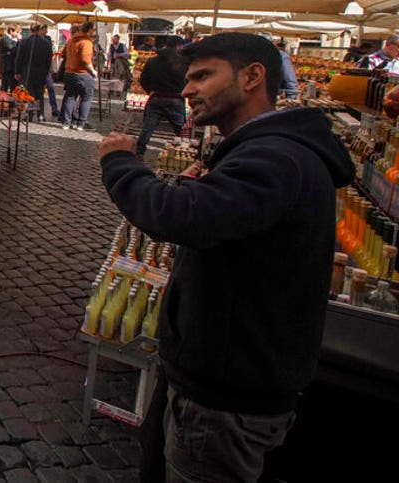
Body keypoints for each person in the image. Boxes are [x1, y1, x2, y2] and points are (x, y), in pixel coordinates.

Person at [97, 33, 354, 482]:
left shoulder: (276, 157)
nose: (187, 90)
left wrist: (121, 164)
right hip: (222, 379)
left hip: (225, 398)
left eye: (202, 76)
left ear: (253, 76)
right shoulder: (270, 151)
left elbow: (179, 218)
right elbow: (230, 225)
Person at [134, 35, 189, 158]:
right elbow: (189, 80)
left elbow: (143, 79)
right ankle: (185, 153)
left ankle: (139, 153)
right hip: (176, 98)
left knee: (148, 128)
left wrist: (150, 91)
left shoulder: (153, 60)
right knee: (181, 130)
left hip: (157, 97)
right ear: (179, 46)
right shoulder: (183, 62)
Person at [61, 22, 97, 130]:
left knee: (70, 96)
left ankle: (67, 122)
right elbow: (85, 60)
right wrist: (93, 71)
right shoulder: (86, 42)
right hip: (82, 73)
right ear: (90, 30)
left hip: (69, 72)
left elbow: (63, 54)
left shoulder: (71, 40)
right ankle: (81, 123)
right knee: (86, 97)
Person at [14, 23, 54, 120]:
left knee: (29, 93)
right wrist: (46, 71)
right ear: (39, 30)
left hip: (27, 71)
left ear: (31, 30)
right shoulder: (46, 44)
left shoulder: (24, 42)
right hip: (41, 72)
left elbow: (19, 58)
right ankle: (41, 115)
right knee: (39, 94)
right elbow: (49, 60)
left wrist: (17, 72)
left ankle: (30, 115)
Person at [0, 25, 20, 91]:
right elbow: (13, 49)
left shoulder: (10, 39)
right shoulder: (5, 38)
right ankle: (5, 99)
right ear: (11, 31)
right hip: (7, 66)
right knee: (7, 85)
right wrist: (18, 40)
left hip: (9, 66)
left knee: (10, 85)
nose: (17, 34)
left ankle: (8, 98)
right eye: (17, 32)